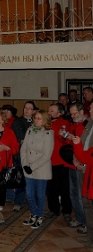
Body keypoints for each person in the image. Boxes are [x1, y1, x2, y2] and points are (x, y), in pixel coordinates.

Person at [21, 110, 54, 229]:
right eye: (35, 118)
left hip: (41, 168)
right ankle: (33, 214)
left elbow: (46, 155)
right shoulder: (29, 130)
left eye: (39, 118)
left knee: (40, 194)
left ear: (45, 120)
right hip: (28, 167)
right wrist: (25, 164)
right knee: (29, 194)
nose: (36, 120)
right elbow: (23, 149)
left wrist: (32, 167)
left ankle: (39, 216)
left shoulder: (48, 133)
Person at [8, 101, 37, 211]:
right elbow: (14, 139)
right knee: (19, 179)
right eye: (25, 107)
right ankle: (18, 202)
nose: (27, 110)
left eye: (30, 108)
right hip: (20, 155)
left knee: (32, 180)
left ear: (33, 111)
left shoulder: (36, 122)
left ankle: (32, 202)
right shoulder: (17, 122)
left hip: (34, 156)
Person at [46, 103, 72, 222]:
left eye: (52, 111)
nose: (49, 113)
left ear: (59, 113)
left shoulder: (64, 123)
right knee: (51, 188)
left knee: (64, 188)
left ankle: (67, 210)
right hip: (48, 161)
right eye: (48, 111)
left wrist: (51, 127)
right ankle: (53, 209)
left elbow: (64, 139)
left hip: (61, 161)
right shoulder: (46, 124)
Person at [65, 102, 88, 234]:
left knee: (81, 195)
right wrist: (67, 137)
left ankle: (86, 222)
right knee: (73, 193)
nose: (72, 116)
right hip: (71, 163)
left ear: (81, 112)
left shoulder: (87, 125)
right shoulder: (74, 124)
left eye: (74, 113)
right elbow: (69, 143)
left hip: (81, 164)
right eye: (71, 113)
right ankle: (79, 218)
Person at [72, 110, 93, 249]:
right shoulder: (89, 124)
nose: (90, 110)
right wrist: (78, 143)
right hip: (88, 175)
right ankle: (91, 238)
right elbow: (85, 156)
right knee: (89, 206)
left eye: (92, 108)